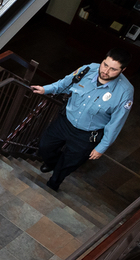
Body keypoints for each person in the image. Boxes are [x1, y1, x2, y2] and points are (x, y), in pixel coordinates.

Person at [29, 48, 134, 192]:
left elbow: (116, 123)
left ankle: (54, 182)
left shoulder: (125, 92)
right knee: (45, 146)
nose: (105, 71)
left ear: (123, 70)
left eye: (113, 69)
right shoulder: (87, 69)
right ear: (103, 60)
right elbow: (64, 83)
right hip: (65, 122)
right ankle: (53, 163)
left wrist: (102, 147)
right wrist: (46, 89)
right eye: (105, 64)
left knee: (70, 163)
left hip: (87, 134)